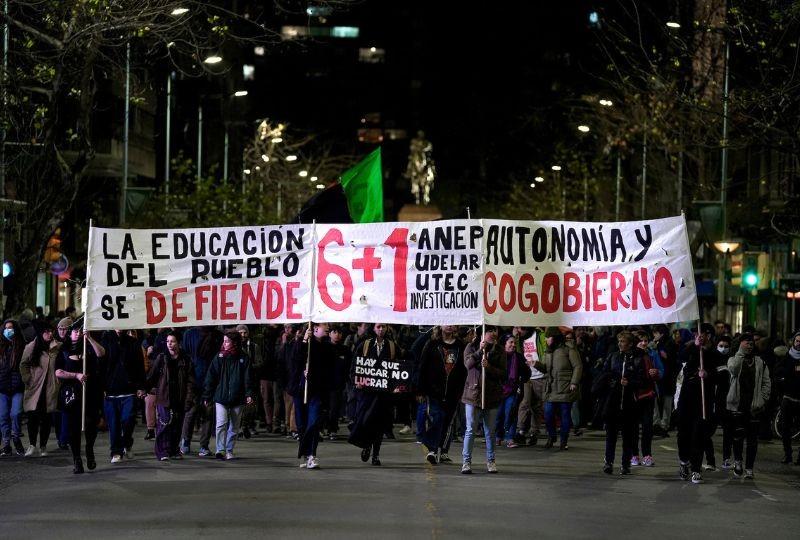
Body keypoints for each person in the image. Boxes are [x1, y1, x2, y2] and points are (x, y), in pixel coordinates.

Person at [348, 323, 402, 466]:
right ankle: (367, 445)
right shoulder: (365, 344)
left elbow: (399, 367)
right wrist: (356, 380)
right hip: (367, 391)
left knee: (380, 423)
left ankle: (376, 455)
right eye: (378, 327)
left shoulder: (391, 346)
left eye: (383, 327)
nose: (381, 329)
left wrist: (397, 385)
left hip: (384, 393)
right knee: (365, 420)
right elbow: (355, 364)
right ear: (373, 328)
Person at [55, 326, 105, 473]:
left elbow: (101, 354)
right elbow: (58, 372)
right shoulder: (63, 351)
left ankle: (89, 449)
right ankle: (77, 459)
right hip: (71, 395)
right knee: (73, 428)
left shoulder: (88, 348)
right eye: (75, 331)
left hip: (90, 393)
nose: (77, 333)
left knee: (91, 423)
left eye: (79, 330)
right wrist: (75, 375)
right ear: (70, 334)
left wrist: (89, 337)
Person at [597, 331, 647, 475]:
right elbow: (604, 375)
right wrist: (613, 382)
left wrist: (630, 382)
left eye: (623, 341)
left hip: (630, 404)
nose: (619, 343)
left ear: (630, 343)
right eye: (619, 340)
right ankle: (608, 462)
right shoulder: (613, 356)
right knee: (611, 435)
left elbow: (642, 380)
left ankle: (625, 464)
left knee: (628, 436)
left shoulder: (638, 359)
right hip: (613, 401)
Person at [417, 325, 466, 464]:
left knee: (448, 422)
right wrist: (420, 389)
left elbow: (464, 369)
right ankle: (432, 450)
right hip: (434, 390)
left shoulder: (460, 345)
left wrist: (462, 389)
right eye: (446, 322)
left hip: (453, 391)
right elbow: (423, 366)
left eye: (452, 323)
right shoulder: (432, 343)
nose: (449, 326)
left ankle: (443, 451)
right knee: (437, 417)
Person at [460, 326, 506, 474]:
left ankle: (491, 461)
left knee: (490, 432)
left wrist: (490, 367)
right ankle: (466, 462)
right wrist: (480, 351)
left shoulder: (499, 350)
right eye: (489, 331)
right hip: (473, 396)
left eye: (495, 331)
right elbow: (467, 365)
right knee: (470, 430)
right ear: (482, 333)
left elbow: (503, 373)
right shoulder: (471, 346)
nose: (493, 334)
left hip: (491, 396)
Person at [203, 331, 254, 460]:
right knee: (221, 423)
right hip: (221, 397)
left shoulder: (244, 358)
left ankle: (229, 450)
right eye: (224, 341)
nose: (224, 344)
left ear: (235, 343)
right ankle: (220, 449)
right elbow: (211, 377)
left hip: (238, 398)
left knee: (234, 426)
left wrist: (249, 394)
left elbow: (248, 378)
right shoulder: (219, 357)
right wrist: (207, 395)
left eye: (227, 341)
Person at [675, 325, 717, 484]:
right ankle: (684, 461)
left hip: (703, 400)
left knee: (698, 435)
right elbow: (681, 358)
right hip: (686, 399)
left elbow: (720, 374)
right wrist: (694, 346)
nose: (698, 336)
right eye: (696, 334)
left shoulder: (713, 354)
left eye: (701, 334)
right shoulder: (690, 349)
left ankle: (696, 469)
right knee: (683, 435)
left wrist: (708, 374)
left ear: (708, 336)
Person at [726, 333, 771, 479]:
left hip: (754, 407)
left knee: (752, 440)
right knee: (738, 437)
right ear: (740, 344)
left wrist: (762, 399)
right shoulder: (733, 359)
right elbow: (733, 369)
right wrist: (741, 353)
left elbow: (766, 382)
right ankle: (738, 462)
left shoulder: (760, 362)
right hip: (738, 405)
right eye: (747, 343)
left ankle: (750, 468)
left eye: (752, 343)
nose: (750, 345)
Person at [146, 332, 196, 461]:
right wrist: (144, 389)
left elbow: (191, 381)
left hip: (180, 397)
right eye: (168, 341)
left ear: (178, 343)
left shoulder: (186, 359)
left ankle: (173, 450)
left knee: (177, 426)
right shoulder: (162, 358)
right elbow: (152, 376)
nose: (170, 344)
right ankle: (161, 452)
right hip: (164, 397)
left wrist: (189, 399)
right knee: (164, 423)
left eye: (172, 341)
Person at [100, 329, 147, 463]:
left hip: (129, 390)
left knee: (128, 420)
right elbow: (101, 365)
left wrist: (141, 386)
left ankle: (127, 442)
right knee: (114, 424)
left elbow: (139, 366)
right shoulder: (106, 341)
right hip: (111, 390)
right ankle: (116, 451)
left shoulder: (133, 343)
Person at [532, 327, 582, 451]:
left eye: (548, 337)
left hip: (565, 387)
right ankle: (552, 436)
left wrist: (574, 382)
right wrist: (536, 364)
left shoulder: (569, 349)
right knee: (548, 414)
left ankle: (563, 440)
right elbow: (545, 368)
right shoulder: (548, 352)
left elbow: (578, 366)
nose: (546, 340)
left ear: (554, 338)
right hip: (551, 388)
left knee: (565, 415)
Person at [292, 323, 333, 469]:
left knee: (314, 422)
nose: (328, 327)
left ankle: (311, 454)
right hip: (301, 390)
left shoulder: (327, 346)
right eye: (324, 325)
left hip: (317, 391)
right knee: (302, 424)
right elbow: (295, 362)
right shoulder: (302, 343)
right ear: (315, 328)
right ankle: (306, 453)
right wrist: (304, 341)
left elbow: (329, 369)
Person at [20, 323, 62, 457]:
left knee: (47, 418)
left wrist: (58, 381)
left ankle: (43, 446)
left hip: (50, 387)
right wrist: (28, 379)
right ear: (40, 333)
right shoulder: (31, 347)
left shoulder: (56, 346)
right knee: (33, 416)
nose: (50, 334)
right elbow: (23, 364)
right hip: (35, 387)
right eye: (47, 331)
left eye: (51, 331)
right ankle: (32, 445)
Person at [180, 326, 222, 456]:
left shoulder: (216, 335)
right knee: (191, 412)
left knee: (207, 414)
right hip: (194, 380)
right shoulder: (190, 333)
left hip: (209, 380)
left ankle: (203, 445)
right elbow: (185, 356)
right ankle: (186, 442)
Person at [630, 330, 663, 467]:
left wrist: (656, 372)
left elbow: (661, 371)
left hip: (648, 395)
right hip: (633, 396)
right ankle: (634, 455)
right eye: (641, 340)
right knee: (632, 427)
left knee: (647, 427)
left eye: (645, 340)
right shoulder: (629, 356)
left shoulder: (652, 354)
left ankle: (647, 455)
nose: (644, 343)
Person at [494, 334, 528, 449]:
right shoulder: (498, 356)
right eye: (510, 342)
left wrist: (522, 378)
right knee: (498, 415)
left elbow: (527, 373)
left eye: (514, 343)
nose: (513, 345)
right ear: (504, 344)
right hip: (498, 390)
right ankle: (498, 436)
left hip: (513, 390)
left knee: (511, 413)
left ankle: (510, 438)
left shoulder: (518, 357)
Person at [516, 328, 547, 445]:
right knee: (525, 403)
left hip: (539, 375)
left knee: (537, 406)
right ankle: (521, 431)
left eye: (521, 328)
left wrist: (541, 366)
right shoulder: (519, 338)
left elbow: (545, 351)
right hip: (527, 376)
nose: (518, 330)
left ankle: (534, 432)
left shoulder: (539, 335)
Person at [0, 319, 26, 456]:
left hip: (17, 386)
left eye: (11, 328)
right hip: (2, 387)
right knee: (3, 416)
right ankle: (6, 443)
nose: (8, 330)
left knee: (16, 413)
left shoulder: (21, 346)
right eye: (6, 328)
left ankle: (16, 437)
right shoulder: (1, 346)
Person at [775, 331, 800, 464]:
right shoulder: (786, 357)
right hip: (788, 398)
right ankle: (787, 454)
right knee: (785, 427)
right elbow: (778, 373)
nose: (799, 344)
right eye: (797, 341)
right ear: (793, 342)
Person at [327, 325, 350, 440]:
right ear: (330, 334)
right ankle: (322, 428)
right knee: (324, 408)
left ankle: (332, 429)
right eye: (334, 332)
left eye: (339, 333)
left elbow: (349, 366)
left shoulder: (345, 349)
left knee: (335, 408)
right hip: (324, 383)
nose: (337, 335)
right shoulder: (324, 347)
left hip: (338, 384)